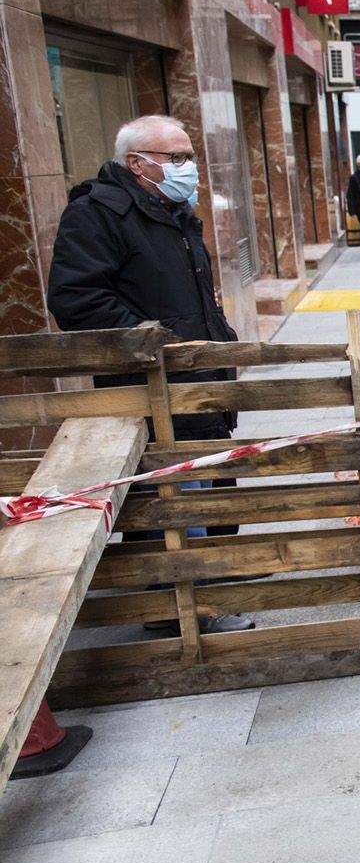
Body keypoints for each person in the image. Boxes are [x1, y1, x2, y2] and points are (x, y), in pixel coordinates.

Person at [46, 113, 253, 633]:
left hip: (196, 385)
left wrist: (218, 339)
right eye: (176, 157)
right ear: (137, 164)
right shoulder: (97, 214)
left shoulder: (174, 212)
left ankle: (204, 587)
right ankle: (179, 613)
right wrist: (156, 342)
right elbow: (75, 299)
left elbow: (194, 297)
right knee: (172, 500)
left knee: (203, 489)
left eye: (190, 156)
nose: (189, 166)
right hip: (150, 387)